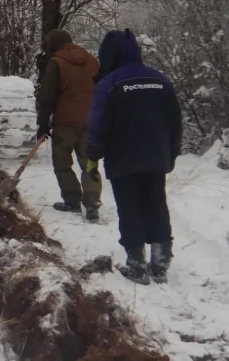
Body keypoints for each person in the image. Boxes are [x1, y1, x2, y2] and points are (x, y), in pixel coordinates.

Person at [85, 29, 181, 285]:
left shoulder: (110, 83)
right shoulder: (160, 80)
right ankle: (160, 265)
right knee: (156, 205)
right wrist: (170, 154)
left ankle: (136, 265)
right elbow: (175, 122)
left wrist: (92, 157)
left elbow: (98, 125)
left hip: (123, 158)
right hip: (156, 157)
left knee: (130, 208)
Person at [36, 29, 102, 220]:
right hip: (90, 120)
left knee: (62, 163)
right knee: (89, 163)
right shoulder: (91, 60)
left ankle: (72, 200)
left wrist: (43, 123)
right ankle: (92, 205)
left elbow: (47, 96)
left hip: (65, 122)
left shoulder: (56, 63)